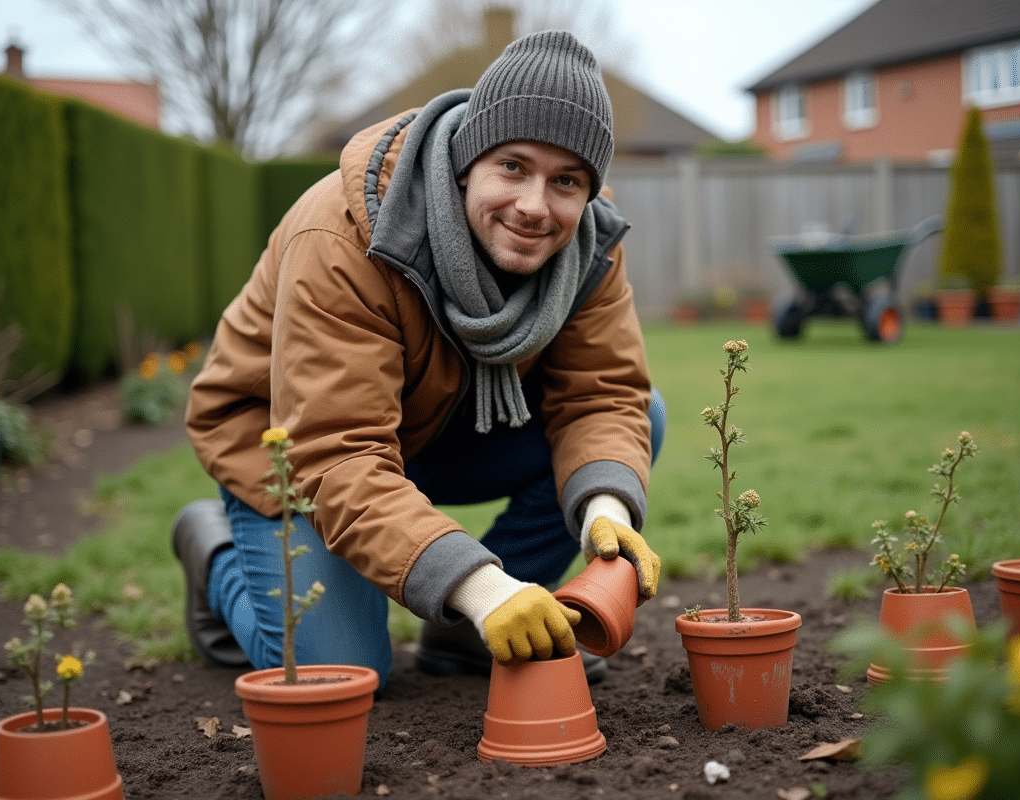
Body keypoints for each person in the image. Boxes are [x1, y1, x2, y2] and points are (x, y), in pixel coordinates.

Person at [173, 29, 666, 690]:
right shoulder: (345, 235)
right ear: (467, 160)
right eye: (513, 166)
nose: (534, 205)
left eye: (566, 181)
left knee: (642, 424)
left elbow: (601, 395)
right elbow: (338, 451)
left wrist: (605, 508)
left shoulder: (589, 244)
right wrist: (484, 585)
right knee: (337, 674)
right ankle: (216, 556)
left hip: (435, 432)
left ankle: (462, 636)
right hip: (295, 450)